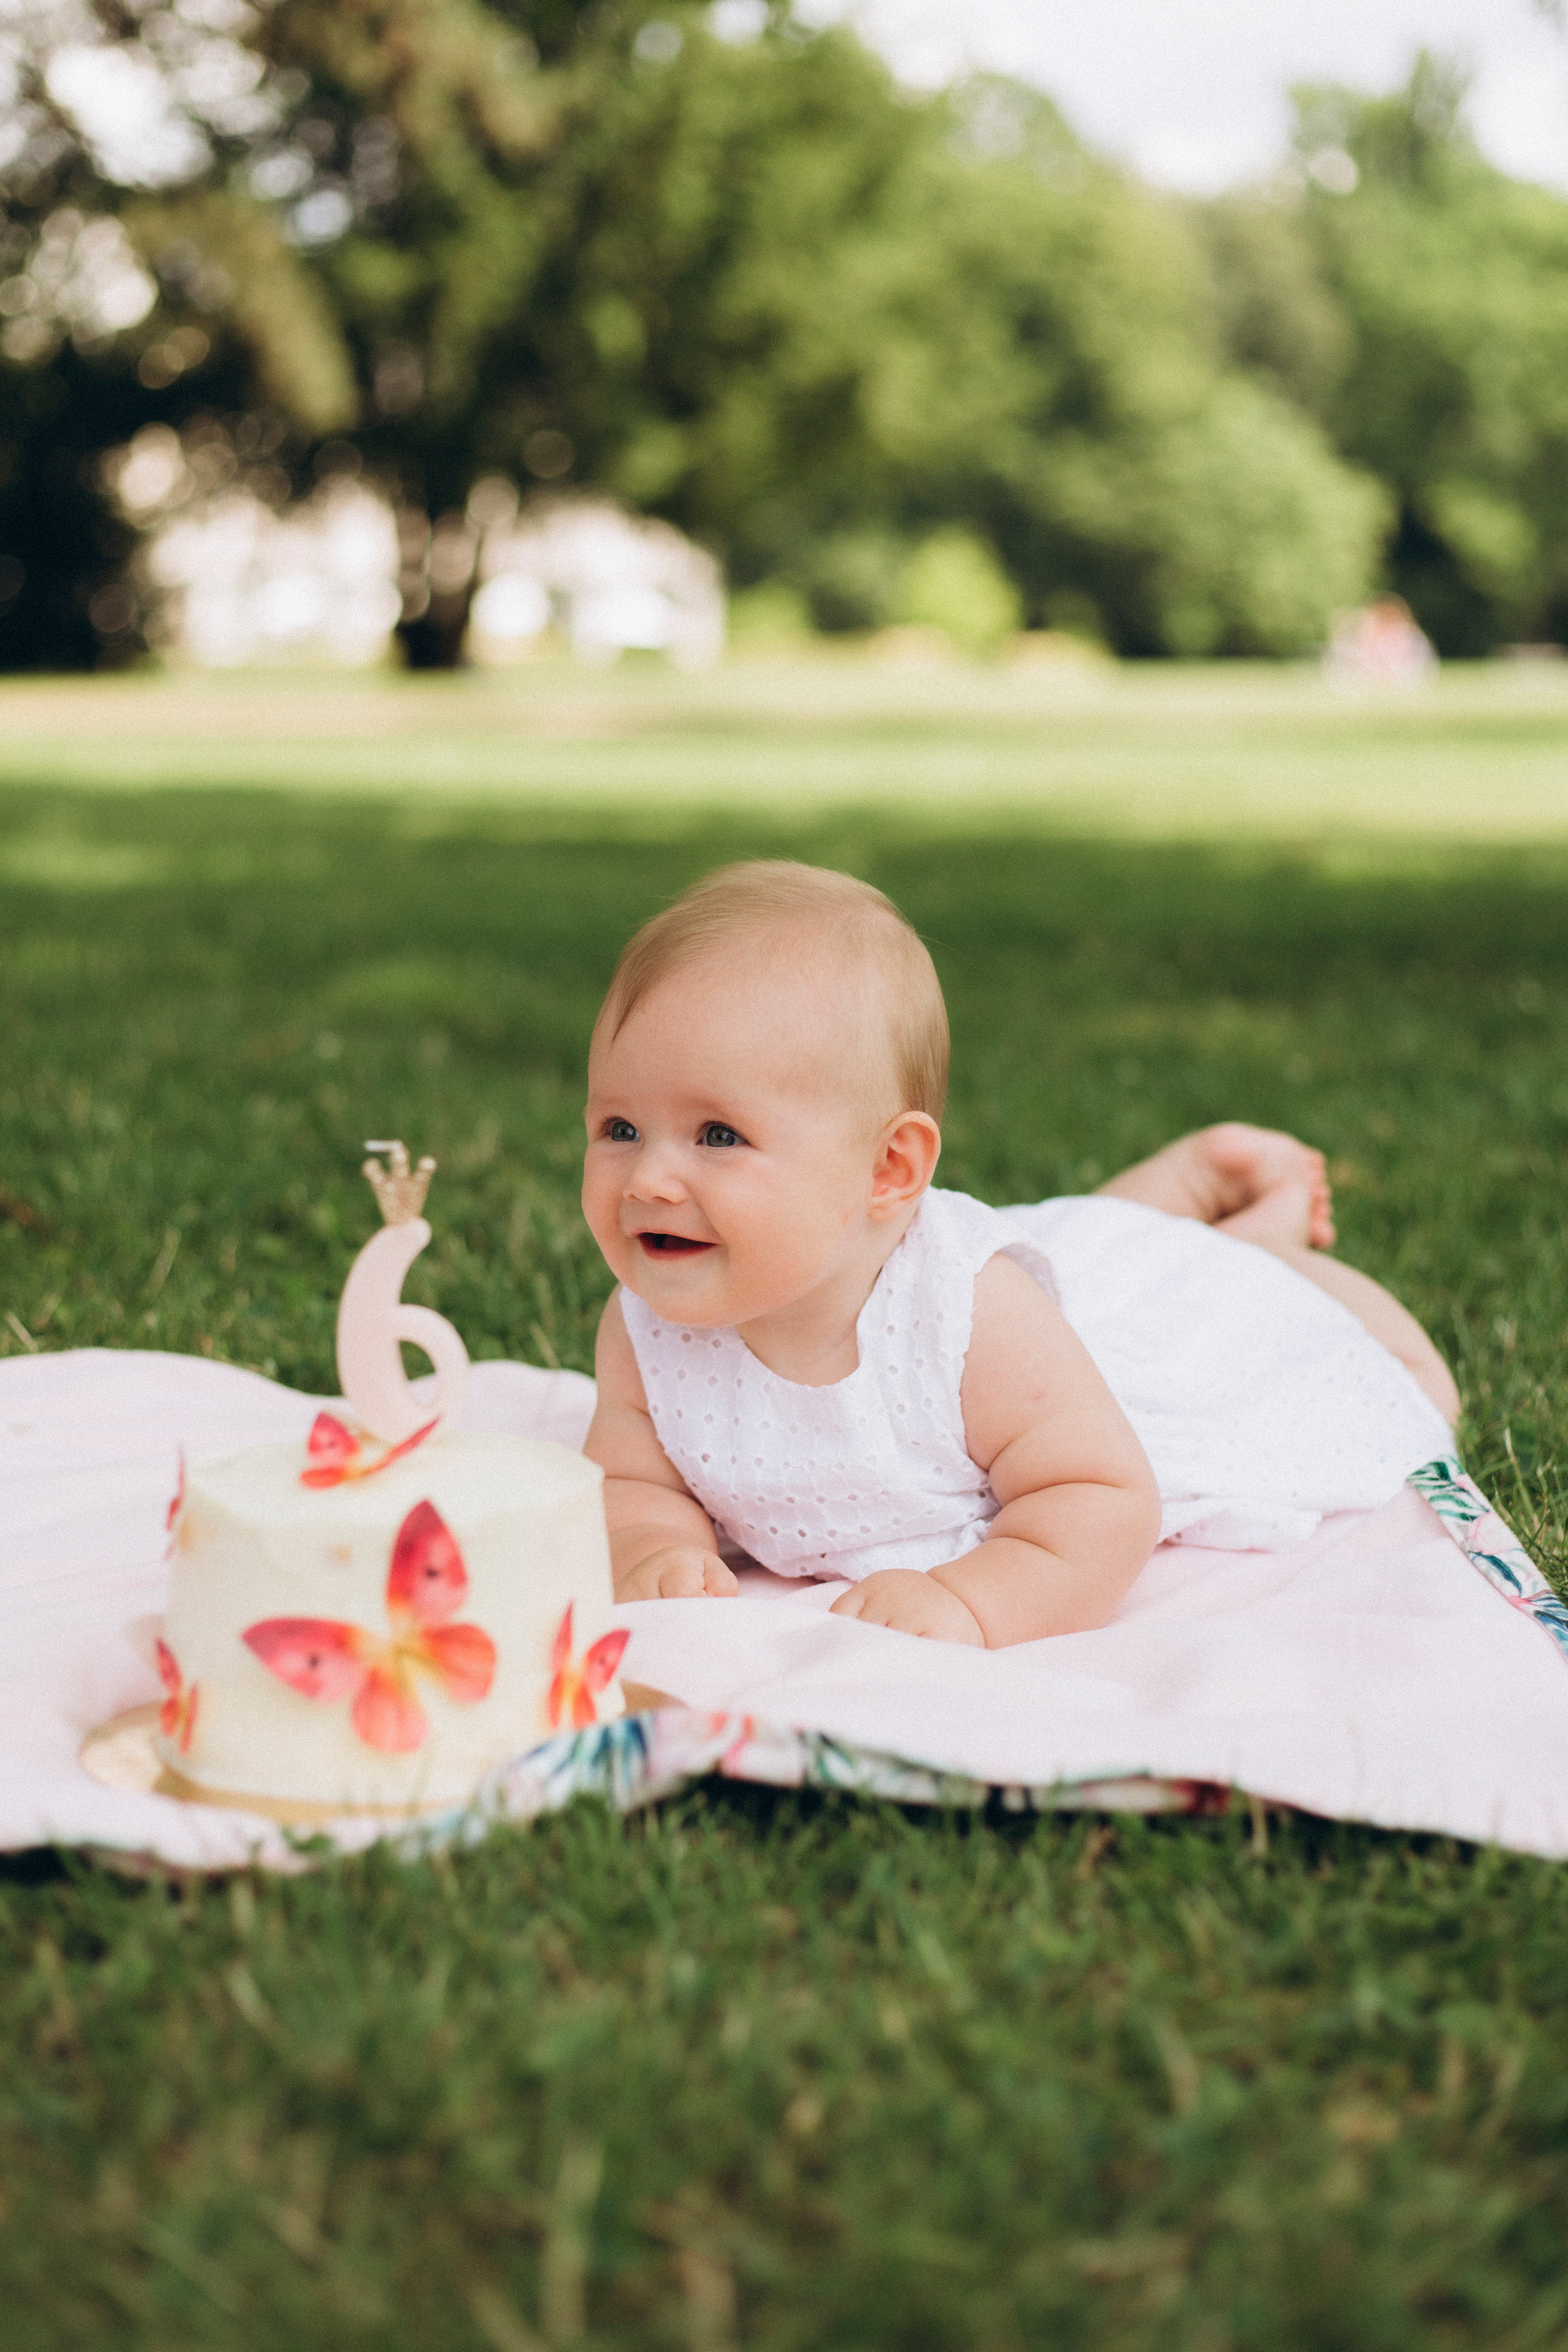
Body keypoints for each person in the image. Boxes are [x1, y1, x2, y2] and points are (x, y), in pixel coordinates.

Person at [580, 862, 1458, 1649]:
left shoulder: (969, 1318)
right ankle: (1175, 1206)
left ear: (888, 1170)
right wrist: (658, 1545)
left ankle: (1261, 1246)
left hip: (1111, 1365)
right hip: (1018, 1309)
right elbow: (632, 1477)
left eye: (718, 1135)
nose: (649, 1179)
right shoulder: (644, 1328)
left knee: (1388, 1377)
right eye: (620, 1127)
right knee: (1091, 1252)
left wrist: (974, 1601)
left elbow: (1102, 1499)